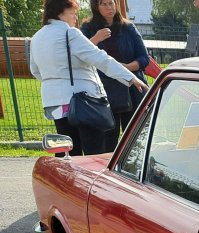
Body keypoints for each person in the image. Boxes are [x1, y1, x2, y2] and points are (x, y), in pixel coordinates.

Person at [29, 0, 149, 156]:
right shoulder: (70, 33)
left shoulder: (37, 37)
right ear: (60, 12)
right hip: (82, 101)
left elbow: (35, 70)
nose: (75, 18)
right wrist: (130, 78)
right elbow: (100, 59)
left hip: (54, 103)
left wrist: (55, 81)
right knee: (95, 152)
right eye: (73, 13)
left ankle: (68, 179)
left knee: (67, 151)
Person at [81, 0, 150, 151]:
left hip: (132, 89)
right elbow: (81, 54)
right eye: (103, 4)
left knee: (135, 139)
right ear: (95, 7)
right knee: (107, 141)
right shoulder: (88, 28)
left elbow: (144, 58)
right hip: (104, 90)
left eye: (111, 3)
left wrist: (125, 69)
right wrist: (96, 39)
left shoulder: (128, 27)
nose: (109, 8)